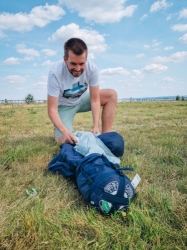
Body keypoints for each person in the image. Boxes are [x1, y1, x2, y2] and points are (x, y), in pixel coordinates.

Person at [47, 37, 117, 144]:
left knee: (111, 94)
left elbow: (95, 100)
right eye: (73, 64)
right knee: (67, 141)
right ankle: (59, 130)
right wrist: (64, 131)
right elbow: (52, 109)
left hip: (81, 99)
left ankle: (105, 137)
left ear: (86, 60)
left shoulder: (92, 68)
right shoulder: (55, 72)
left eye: (81, 63)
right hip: (64, 106)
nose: (78, 68)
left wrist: (95, 126)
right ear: (65, 59)